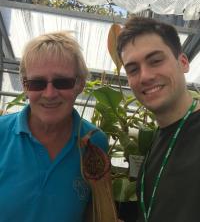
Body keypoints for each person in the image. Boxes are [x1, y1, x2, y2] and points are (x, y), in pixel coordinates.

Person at [0, 31, 110, 222]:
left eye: (62, 82)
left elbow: (94, 210)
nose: (49, 94)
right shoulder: (2, 134)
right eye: (37, 83)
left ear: (80, 85)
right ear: (25, 87)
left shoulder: (95, 141)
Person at [117, 16, 200, 222]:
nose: (145, 76)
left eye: (156, 61)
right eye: (133, 69)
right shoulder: (157, 139)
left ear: (183, 62)